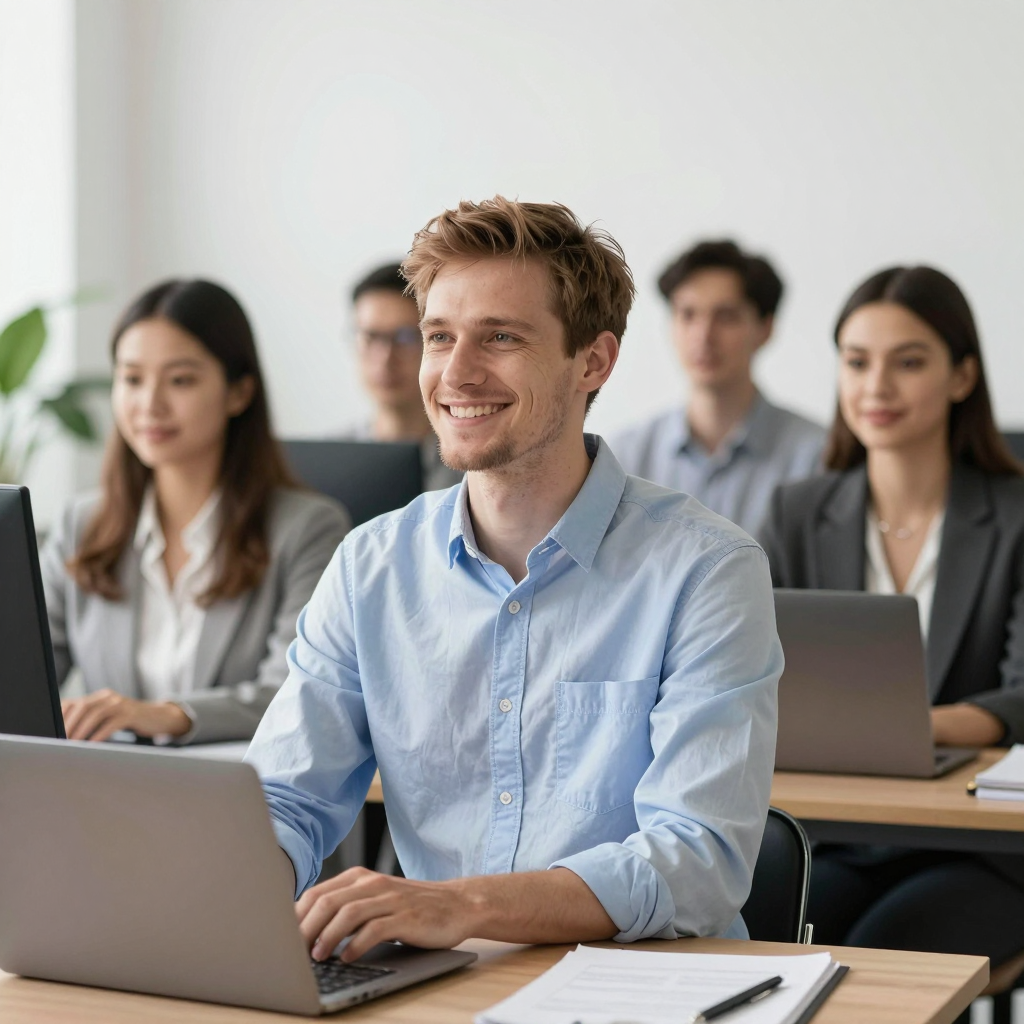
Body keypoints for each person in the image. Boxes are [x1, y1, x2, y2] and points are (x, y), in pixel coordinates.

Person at [246, 197, 781, 963]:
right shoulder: (371, 566)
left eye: (500, 337)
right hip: (437, 985)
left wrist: (461, 906)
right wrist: (238, 900)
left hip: (638, 987)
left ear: (592, 362)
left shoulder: (707, 569)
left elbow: (697, 861)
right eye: (439, 336)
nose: (455, 373)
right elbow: (283, 799)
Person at [762, 265, 1024, 967]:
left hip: (984, 846)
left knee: (875, 955)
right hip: (839, 832)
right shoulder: (797, 513)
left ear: (962, 377)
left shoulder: (1016, 515)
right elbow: (750, 668)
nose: (876, 386)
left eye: (907, 363)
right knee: (768, 938)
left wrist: (901, 730)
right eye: (857, 362)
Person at [43, 279, 351, 745]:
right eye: (132, 379)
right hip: (102, 781)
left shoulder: (308, 529)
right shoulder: (81, 524)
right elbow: (25, 673)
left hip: (237, 784)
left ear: (238, 393)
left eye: (180, 380)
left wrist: (168, 716)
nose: (150, 405)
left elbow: (297, 690)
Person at [610, 240, 824, 537]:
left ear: (765, 329)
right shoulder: (626, 457)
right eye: (688, 314)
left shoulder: (815, 456)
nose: (703, 336)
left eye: (726, 317)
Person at [345, 262, 462, 491]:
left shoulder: (472, 465)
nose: (385, 359)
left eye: (406, 337)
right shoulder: (328, 461)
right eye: (370, 337)